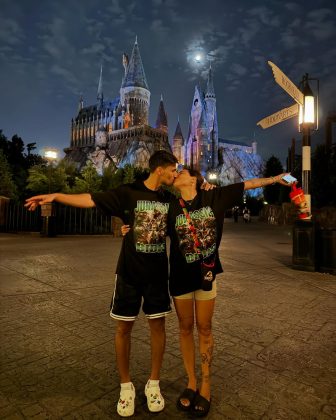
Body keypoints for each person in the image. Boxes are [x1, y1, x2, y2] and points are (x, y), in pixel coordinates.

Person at [123, 168, 291, 417]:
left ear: (194, 179)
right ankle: (191, 382)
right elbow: (151, 224)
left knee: (204, 327)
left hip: (206, 274)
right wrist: (131, 229)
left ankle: (206, 384)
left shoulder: (215, 197)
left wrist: (276, 179)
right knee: (184, 327)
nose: (176, 173)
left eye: (182, 172)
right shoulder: (170, 204)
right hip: (179, 276)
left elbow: (248, 184)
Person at [25, 150, 179, 418]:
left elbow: (192, 207)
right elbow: (90, 199)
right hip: (129, 273)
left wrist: (207, 186)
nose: (175, 174)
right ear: (160, 169)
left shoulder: (169, 199)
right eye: (173, 170)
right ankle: (126, 386)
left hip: (156, 274)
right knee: (123, 328)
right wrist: (56, 196)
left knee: (158, 327)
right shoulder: (128, 192)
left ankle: (153, 384)